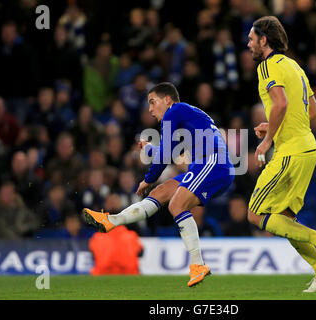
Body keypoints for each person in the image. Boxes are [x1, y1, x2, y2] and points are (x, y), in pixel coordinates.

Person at [83, 82, 235, 287]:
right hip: (205, 165)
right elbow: (173, 155)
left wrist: (148, 177)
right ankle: (112, 220)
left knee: (176, 205)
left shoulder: (175, 111)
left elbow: (165, 156)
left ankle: (198, 264)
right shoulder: (186, 119)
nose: (150, 109)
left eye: (153, 102)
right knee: (162, 192)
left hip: (213, 164)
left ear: (168, 100)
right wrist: (151, 150)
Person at [246, 16, 316, 293]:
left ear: (264, 40)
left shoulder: (267, 66)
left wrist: (268, 141)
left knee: (255, 214)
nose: (248, 43)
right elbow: (314, 114)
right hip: (308, 149)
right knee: (284, 217)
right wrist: (274, 124)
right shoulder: (295, 67)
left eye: (252, 38)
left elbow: (281, 103)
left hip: (289, 153)